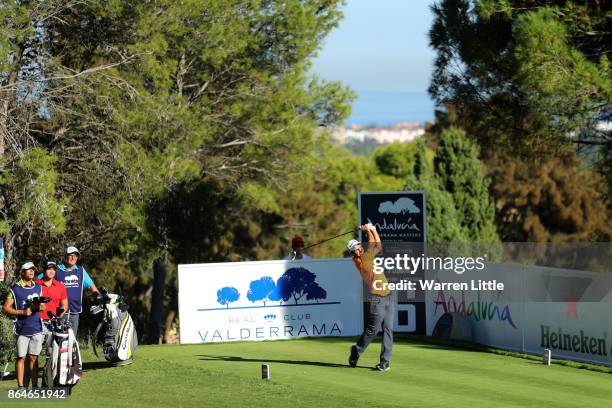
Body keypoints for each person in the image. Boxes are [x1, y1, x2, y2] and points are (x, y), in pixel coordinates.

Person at [347, 224, 395, 371]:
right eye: (356, 248)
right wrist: (369, 230)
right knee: (372, 330)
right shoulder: (362, 261)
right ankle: (357, 351)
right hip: (377, 299)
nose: (359, 247)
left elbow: (377, 245)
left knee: (388, 329)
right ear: (353, 253)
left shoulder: (366, 256)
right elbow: (376, 244)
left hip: (388, 296)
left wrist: (371, 230)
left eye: (359, 245)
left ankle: (385, 362)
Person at [2, 262, 45, 388]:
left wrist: (40, 307)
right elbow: (6, 308)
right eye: (28, 269)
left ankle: (35, 386)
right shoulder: (15, 289)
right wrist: (22, 312)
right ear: (22, 272)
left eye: (33, 269)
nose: (31, 271)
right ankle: (21, 387)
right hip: (22, 329)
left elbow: (43, 306)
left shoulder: (38, 287)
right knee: (21, 358)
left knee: (34, 358)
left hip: (36, 327)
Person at [53, 246, 99, 336]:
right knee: (59, 338)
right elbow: (40, 281)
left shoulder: (81, 271)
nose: (73, 258)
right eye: (71, 255)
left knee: (72, 338)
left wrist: (100, 298)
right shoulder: (56, 269)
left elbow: (93, 288)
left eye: (75, 256)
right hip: (59, 311)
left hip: (75, 311)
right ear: (65, 256)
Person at [36, 261, 68, 333]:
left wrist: (58, 318)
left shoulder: (60, 286)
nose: (52, 271)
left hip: (53, 323)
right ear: (44, 270)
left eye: (53, 269)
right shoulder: (35, 285)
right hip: (37, 322)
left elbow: (65, 305)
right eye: (49, 269)